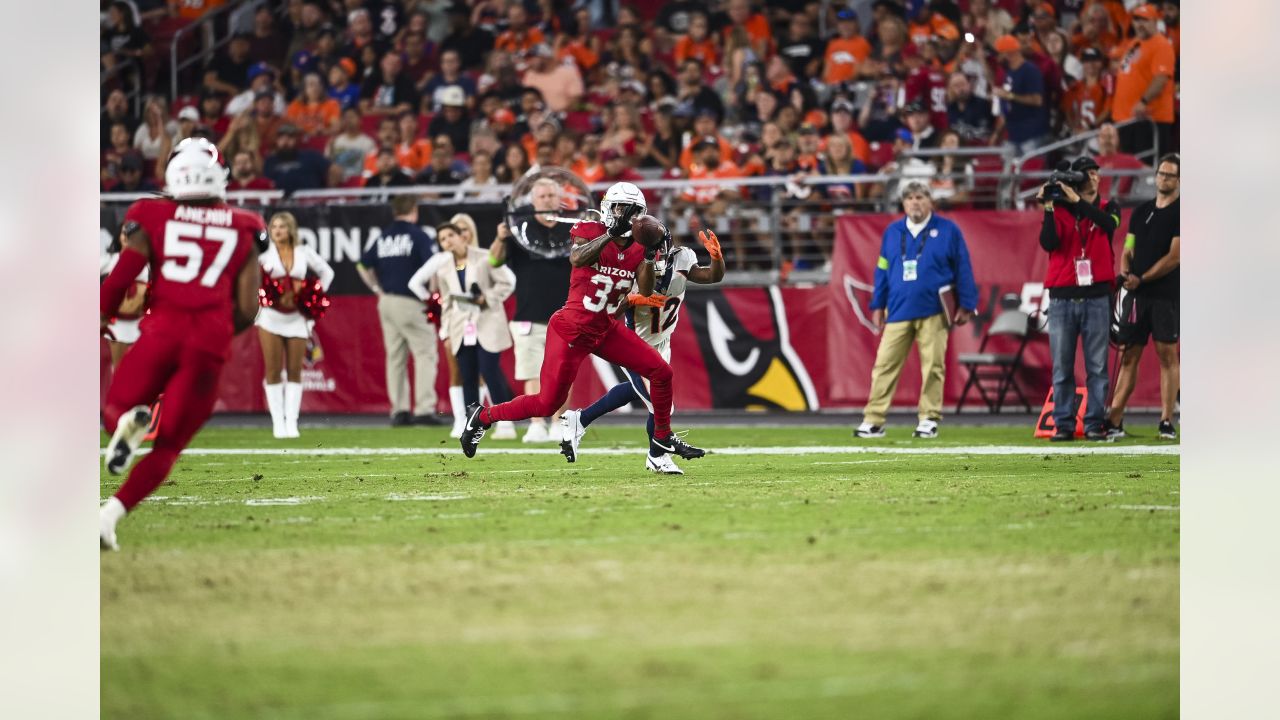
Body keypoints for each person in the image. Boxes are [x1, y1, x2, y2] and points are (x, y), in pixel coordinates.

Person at [459, 182, 705, 466]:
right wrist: (611, 235)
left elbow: (647, 290)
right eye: (620, 208)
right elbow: (577, 257)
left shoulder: (639, 248)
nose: (625, 214)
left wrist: (650, 255)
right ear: (608, 208)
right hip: (572, 328)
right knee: (547, 403)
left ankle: (662, 436)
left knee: (661, 372)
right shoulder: (590, 230)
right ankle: (483, 417)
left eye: (633, 211)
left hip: (606, 329)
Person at [99, 138, 264, 550]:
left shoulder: (151, 213)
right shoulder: (245, 224)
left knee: (115, 409)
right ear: (220, 175)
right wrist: (220, 331)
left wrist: (99, 316)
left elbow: (120, 279)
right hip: (210, 338)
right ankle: (108, 517)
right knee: (170, 445)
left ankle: (126, 424)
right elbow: (248, 307)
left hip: (163, 329)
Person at [561, 228, 726, 474]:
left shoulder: (682, 257)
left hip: (662, 342)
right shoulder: (632, 264)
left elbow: (712, 276)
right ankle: (658, 453)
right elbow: (608, 315)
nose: (654, 253)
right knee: (660, 404)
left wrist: (716, 258)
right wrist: (630, 300)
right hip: (633, 344)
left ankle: (582, 419)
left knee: (637, 391)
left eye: (656, 247)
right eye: (649, 249)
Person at [855, 181, 978, 440]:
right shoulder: (892, 231)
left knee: (933, 365)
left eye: (920, 197)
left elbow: (963, 266)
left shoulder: (948, 230)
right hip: (898, 309)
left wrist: (967, 303)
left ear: (930, 200)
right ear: (903, 203)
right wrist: (877, 304)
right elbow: (882, 270)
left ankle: (928, 418)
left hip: (934, 309)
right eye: (910, 198)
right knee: (884, 365)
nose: (915, 202)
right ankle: (874, 419)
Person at [407, 223, 518, 440]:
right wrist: (445, 330)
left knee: (490, 371)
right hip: (460, 327)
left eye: (450, 235)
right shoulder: (443, 266)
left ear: (462, 237)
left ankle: (505, 423)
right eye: (442, 239)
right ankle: (472, 424)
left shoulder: (485, 256)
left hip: (487, 322)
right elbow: (447, 302)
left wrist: (487, 298)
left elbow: (506, 283)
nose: (447, 241)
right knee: (468, 376)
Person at [1036, 156, 1120, 441]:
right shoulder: (1059, 209)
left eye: (1096, 172)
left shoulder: (1109, 207)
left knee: (1097, 366)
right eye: (1088, 173)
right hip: (1062, 298)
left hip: (1096, 295)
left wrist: (1076, 202)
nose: (1094, 177)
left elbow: (1109, 225)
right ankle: (1064, 425)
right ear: (1077, 178)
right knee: (1062, 367)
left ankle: (1095, 423)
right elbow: (1049, 243)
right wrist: (1049, 207)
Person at [488, 177, 574, 442]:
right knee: (532, 371)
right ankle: (537, 423)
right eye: (542, 196)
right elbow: (493, 259)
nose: (547, 200)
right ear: (533, 200)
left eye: (551, 195)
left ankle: (559, 422)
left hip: (566, 314)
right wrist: (501, 237)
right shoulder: (520, 230)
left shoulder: (572, 229)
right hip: (528, 313)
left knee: (563, 372)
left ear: (560, 199)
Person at [1107, 153, 1180, 440]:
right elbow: (1128, 247)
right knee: (1128, 356)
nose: (1164, 179)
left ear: (1179, 180)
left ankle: (1166, 420)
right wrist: (1125, 271)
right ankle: (1115, 419)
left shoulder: (1181, 213)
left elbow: (1175, 257)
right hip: (1136, 295)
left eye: (1170, 175)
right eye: (1161, 173)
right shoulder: (1140, 212)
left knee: (1167, 356)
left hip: (1165, 295)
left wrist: (1143, 278)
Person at [356, 194, 443, 426]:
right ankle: (424, 409)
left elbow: (362, 264)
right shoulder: (418, 235)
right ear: (413, 210)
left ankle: (400, 410)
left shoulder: (383, 237)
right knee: (425, 354)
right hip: (412, 301)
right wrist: (432, 295)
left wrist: (376, 288)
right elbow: (432, 266)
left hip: (386, 302)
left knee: (395, 358)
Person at [255, 211, 334, 439]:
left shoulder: (303, 252)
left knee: (295, 370)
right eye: (274, 227)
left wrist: (314, 296)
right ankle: (278, 423)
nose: (277, 230)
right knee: (272, 370)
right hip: (270, 316)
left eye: (282, 227)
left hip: (298, 317)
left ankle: (292, 422)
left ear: (291, 230)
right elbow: (250, 278)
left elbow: (327, 272)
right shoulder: (263, 255)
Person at [1111, 4, 1176, 161]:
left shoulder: (1162, 45)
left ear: (1155, 22)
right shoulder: (1135, 42)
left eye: (1144, 20)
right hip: (1127, 118)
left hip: (1149, 119)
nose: (1139, 24)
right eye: (1136, 20)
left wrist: (1143, 101)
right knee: (1129, 169)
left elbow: (1161, 78)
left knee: (1146, 169)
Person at [99, 231, 151, 368]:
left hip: (139, 323)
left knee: (135, 368)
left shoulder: (148, 264)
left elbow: (152, 293)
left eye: (132, 233)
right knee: (113, 369)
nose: (127, 236)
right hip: (115, 325)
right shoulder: (111, 260)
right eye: (123, 232)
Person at [991, 34, 1048, 155]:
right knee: (1008, 170)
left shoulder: (1030, 70)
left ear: (1008, 53)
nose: (998, 57)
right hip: (1013, 134)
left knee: (1031, 170)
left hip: (1031, 133)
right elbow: (1006, 106)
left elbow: (1037, 100)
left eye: (1000, 53)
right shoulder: (1009, 72)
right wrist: (997, 133)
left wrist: (1010, 96)